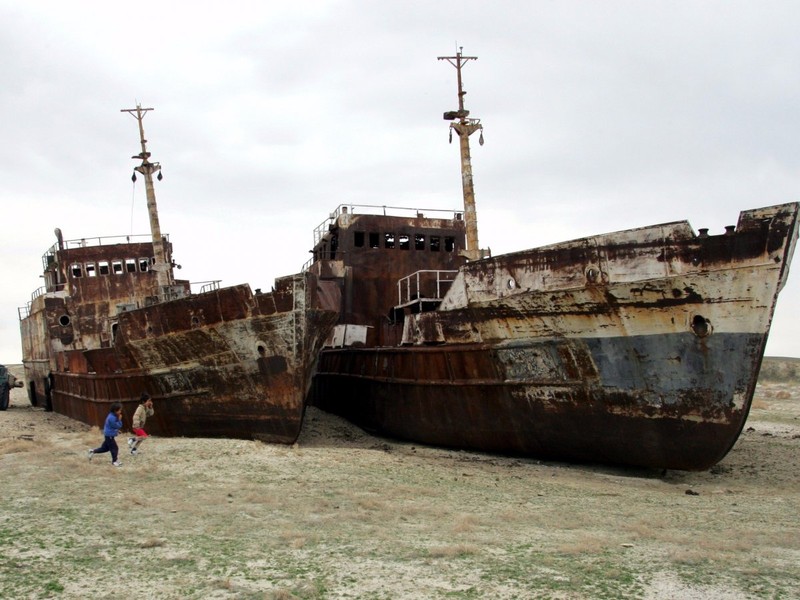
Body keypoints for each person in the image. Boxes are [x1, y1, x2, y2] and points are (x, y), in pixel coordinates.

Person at [88, 402, 124, 467]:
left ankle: (92, 451)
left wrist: (117, 431)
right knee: (115, 448)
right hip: (109, 435)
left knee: (105, 448)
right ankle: (114, 461)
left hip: (108, 434)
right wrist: (119, 420)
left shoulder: (112, 415)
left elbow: (112, 426)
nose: (120, 411)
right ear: (115, 410)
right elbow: (117, 425)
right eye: (120, 410)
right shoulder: (112, 418)